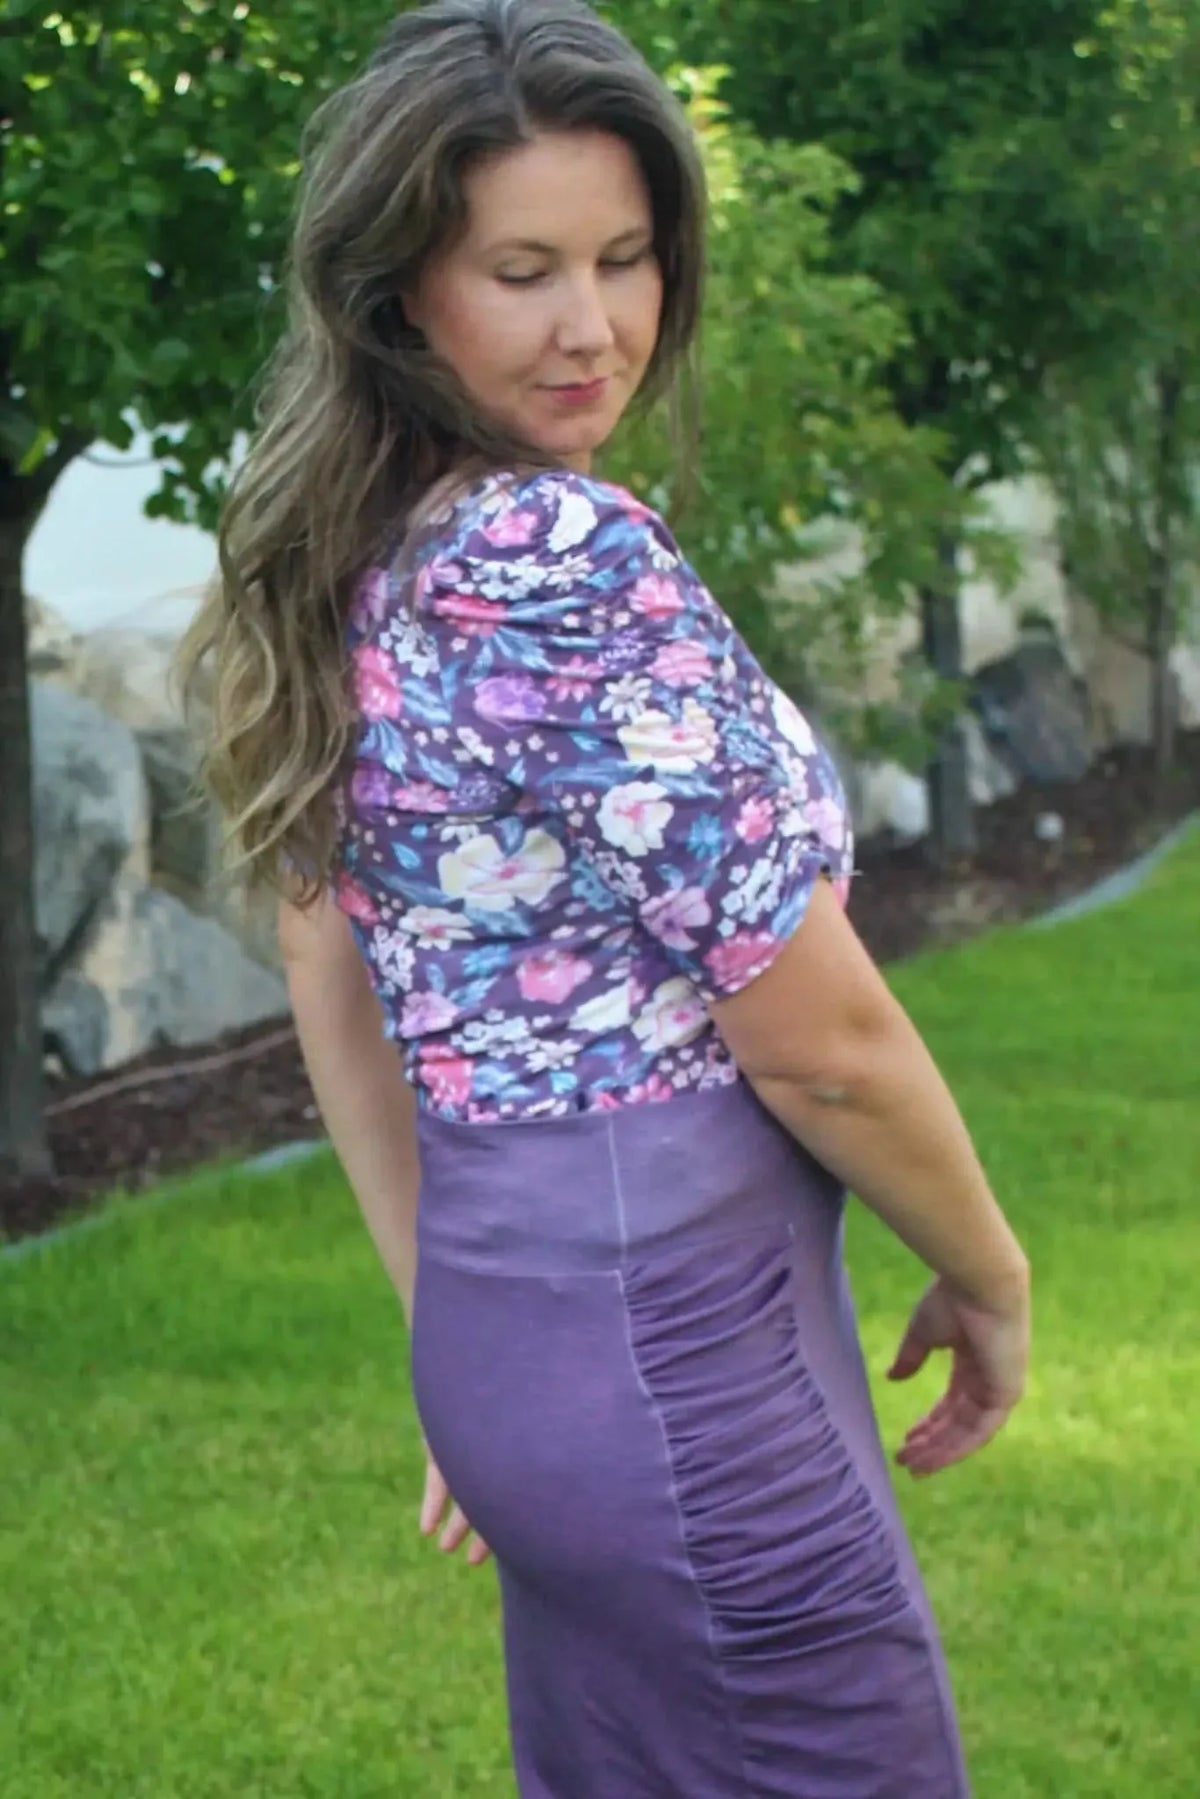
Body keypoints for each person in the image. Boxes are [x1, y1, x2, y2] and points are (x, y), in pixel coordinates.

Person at [180, 2, 1031, 1792]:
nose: (594, 326)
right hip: (687, 1359)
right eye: (525, 269)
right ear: (403, 290)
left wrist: (467, 1348)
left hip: (526, 1342)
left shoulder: (368, 538)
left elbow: (321, 949)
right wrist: (989, 1272)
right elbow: (826, 1050)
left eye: (628, 257)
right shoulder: (551, 554)